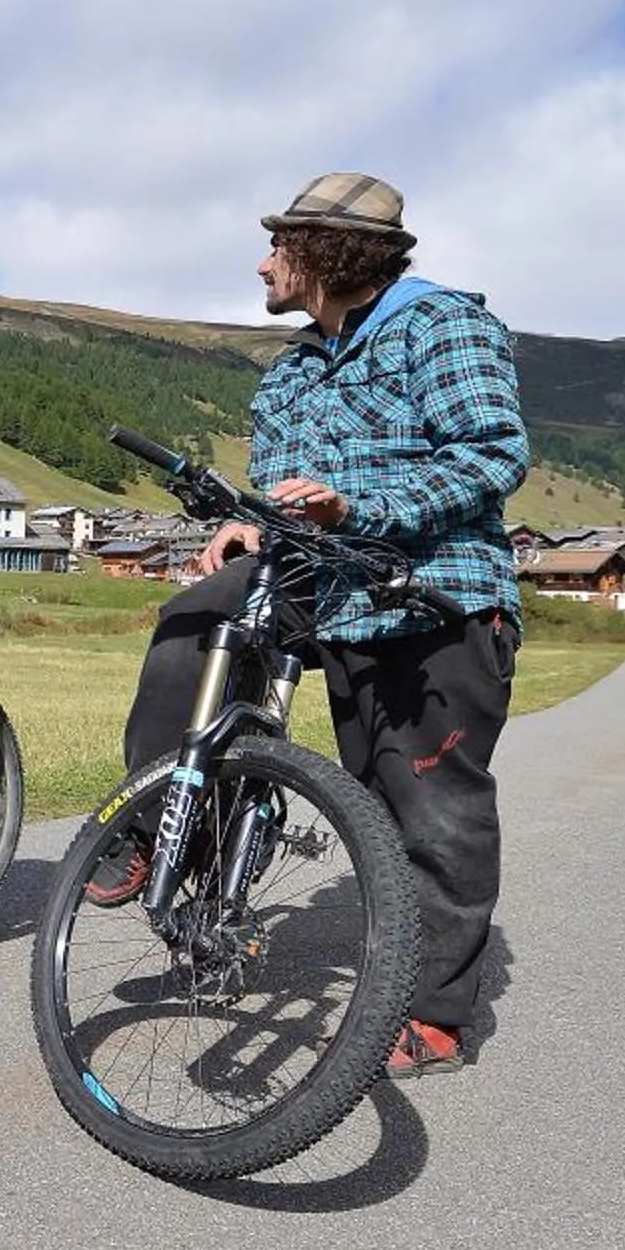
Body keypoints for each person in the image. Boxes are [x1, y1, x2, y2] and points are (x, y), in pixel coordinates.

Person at [99, 172, 526, 1078]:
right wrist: (251, 523)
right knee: (194, 620)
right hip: (321, 588)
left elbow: (491, 455)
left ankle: (436, 1014)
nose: (262, 264)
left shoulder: (441, 326)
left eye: (277, 247)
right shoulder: (292, 370)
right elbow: (287, 496)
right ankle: (163, 829)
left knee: (424, 806)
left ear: (324, 254)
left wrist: (358, 508)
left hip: (432, 593)